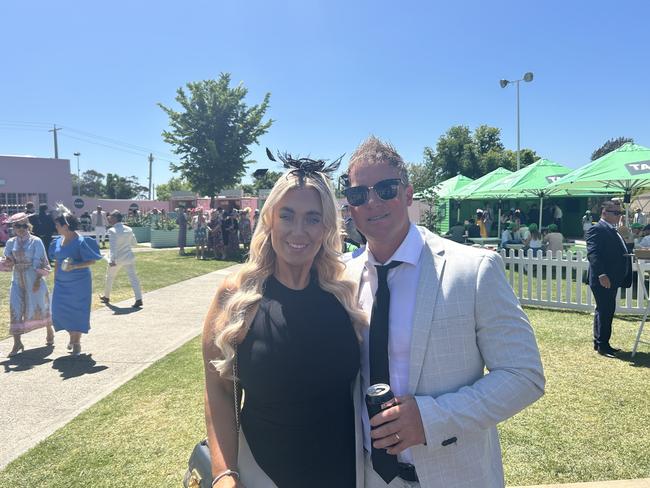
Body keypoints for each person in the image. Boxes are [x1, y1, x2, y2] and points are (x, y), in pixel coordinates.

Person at [342, 136, 544, 488]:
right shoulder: (341, 275)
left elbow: (524, 375)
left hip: (456, 475)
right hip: (370, 477)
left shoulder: (473, 269)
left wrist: (430, 418)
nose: (373, 201)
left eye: (386, 189)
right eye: (360, 194)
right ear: (351, 207)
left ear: (407, 195)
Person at [201, 153, 366, 487]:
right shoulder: (238, 295)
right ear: (270, 219)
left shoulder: (344, 294)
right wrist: (223, 473)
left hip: (347, 474)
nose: (298, 231)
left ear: (326, 227)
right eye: (287, 216)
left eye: (312, 218)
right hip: (263, 474)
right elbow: (219, 389)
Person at [49, 204, 102, 356]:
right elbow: (58, 261)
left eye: (58, 225)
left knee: (78, 311)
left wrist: (75, 266)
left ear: (65, 226)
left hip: (80, 283)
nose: (56, 227)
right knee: (59, 311)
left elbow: (92, 261)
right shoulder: (58, 241)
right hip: (61, 283)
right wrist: (56, 277)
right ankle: (71, 336)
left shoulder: (81, 241)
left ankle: (76, 340)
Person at [1, 213, 54, 357]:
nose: (21, 229)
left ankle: (49, 329)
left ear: (28, 226)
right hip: (17, 278)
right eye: (17, 226)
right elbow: (9, 262)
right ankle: (17, 342)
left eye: (24, 225)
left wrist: (37, 280)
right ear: (13, 227)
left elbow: (41, 261)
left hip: (33, 277)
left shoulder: (36, 241)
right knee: (15, 307)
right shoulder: (11, 242)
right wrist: (8, 261)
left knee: (41, 305)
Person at [586, 200, 633, 358]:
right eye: (616, 213)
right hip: (603, 279)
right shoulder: (597, 229)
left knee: (603, 310)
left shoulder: (615, 230)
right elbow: (593, 254)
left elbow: (623, 250)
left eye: (620, 212)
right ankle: (603, 345)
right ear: (604, 213)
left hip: (612, 278)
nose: (619, 216)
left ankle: (599, 342)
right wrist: (601, 274)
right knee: (606, 311)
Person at [100, 210, 143, 308]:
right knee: (134, 278)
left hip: (117, 259)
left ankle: (106, 297)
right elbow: (134, 243)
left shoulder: (112, 230)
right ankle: (139, 298)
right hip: (128, 257)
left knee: (109, 277)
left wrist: (112, 260)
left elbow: (113, 247)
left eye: (110, 216)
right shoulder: (129, 229)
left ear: (115, 218)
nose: (108, 218)